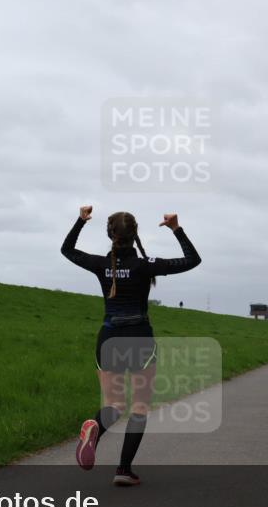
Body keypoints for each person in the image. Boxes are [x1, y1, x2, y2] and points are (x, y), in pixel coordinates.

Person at [61, 206, 201, 486]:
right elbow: (192, 260)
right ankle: (123, 470)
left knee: (114, 404)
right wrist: (176, 228)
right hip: (139, 337)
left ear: (110, 235)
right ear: (135, 233)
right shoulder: (145, 265)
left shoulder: (100, 264)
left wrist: (80, 220)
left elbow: (68, 250)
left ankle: (95, 429)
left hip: (109, 338)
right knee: (139, 407)